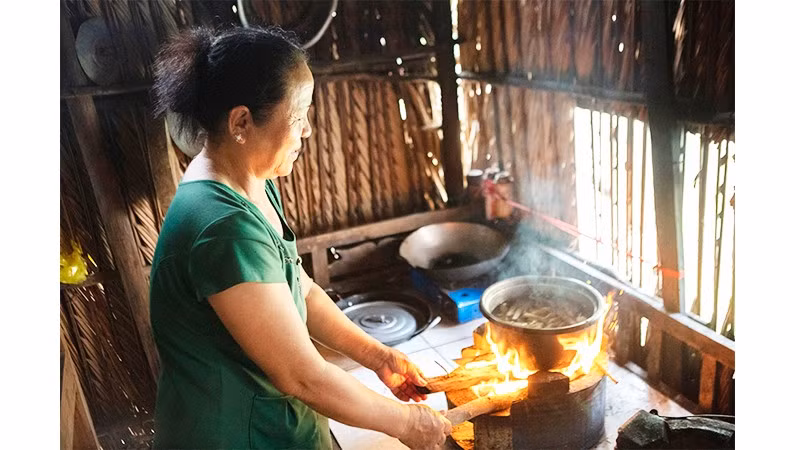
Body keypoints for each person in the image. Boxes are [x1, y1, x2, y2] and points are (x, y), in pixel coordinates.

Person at [149, 26, 451, 449]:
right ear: (241, 122)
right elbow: (302, 374)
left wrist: (377, 356)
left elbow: (298, 288)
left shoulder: (250, 180)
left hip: (276, 426)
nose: (307, 131)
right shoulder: (222, 229)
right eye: (298, 116)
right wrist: (406, 424)